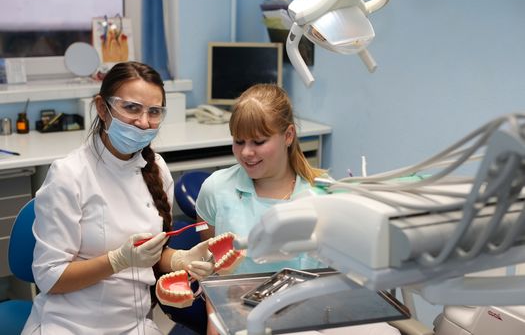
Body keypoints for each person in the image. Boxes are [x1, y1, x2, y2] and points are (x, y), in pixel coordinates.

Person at [22, 61, 214, 334]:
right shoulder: (70, 174)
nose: (144, 122)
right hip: (70, 324)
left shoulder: (157, 168)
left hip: (135, 324)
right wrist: (116, 261)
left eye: (154, 112)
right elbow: (49, 277)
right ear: (102, 108)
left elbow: (149, 254)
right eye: (132, 108)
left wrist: (179, 259)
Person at [196, 84, 400, 335]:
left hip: (309, 317)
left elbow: (334, 280)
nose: (246, 153)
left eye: (258, 141)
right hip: (242, 320)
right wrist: (215, 326)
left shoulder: (322, 194)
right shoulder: (216, 190)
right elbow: (211, 273)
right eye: (239, 142)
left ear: (288, 135)